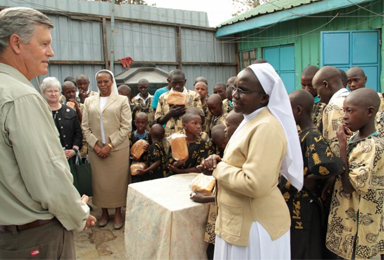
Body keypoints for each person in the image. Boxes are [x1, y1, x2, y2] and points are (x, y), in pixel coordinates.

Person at [0, 7, 95, 259]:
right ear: (16, 43)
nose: (51, 52)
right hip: (34, 237)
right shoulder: (21, 97)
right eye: (44, 44)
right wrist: (79, 214)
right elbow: (48, 180)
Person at [200, 63, 303, 259]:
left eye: (243, 90)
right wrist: (219, 160)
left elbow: (254, 183)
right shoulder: (250, 119)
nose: (234, 95)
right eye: (235, 88)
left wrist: (218, 168)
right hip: (239, 221)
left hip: (255, 228)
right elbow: (240, 162)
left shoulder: (266, 127)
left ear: (264, 97)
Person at [284, 89, 344, 259]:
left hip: (304, 205)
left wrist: (312, 177)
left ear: (298, 110)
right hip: (296, 202)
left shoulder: (312, 135)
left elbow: (330, 164)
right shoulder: (303, 134)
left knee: (305, 247)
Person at [326, 88, 384, 260]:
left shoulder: (372, 146)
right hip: (348, 226)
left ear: (370, 112)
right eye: (344, 110)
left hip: (360, 233)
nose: (344, 116)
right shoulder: (355, 139)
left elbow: (349, 186)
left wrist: (342, 146)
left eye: (350, 111)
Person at [82, 69, 131, 230]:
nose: (103, 85)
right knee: (100, 183)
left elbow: (126, 126)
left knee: (117, 183)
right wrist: (96, 146)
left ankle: (117, 213)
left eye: (106, 81)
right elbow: (85, 127)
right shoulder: (90, 101)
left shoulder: (121, 100)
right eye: (100, 82)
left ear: (112, 82)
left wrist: (110, 146)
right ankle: (103, 212)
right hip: (96, 150)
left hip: (117, 150)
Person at [42, 77, 83, 165]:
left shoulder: (70, 111)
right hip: (49, 159)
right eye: (50, 91)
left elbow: (78, 133)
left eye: (56, 91)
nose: (53, 94)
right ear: (44, 93)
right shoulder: (40, 112)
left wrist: (74, 150)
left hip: (70, 157)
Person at [312, 66, 349, 157]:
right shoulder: (352, 98)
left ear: (326, 84)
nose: (318, 95)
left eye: (317, 90)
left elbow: (335, 147)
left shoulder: (333, 107)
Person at [155, 69, 203, 139]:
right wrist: (170, 114)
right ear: (169, 81)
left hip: (190, 137)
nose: (177, 86)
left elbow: (202, 118)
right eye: (174, 83)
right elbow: (158, 121)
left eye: (180, 83)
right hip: (170, 137)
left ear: (185, 81)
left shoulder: (194, 96)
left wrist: (189, 112)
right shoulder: (163, 97)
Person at [301, 65, 325, 130]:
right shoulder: (301, 102)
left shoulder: (324, 102)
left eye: (310, 85)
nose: (306, 89)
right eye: (303, 85)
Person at [129, 112, 151, 183]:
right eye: (138, 122)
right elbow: (129, 149)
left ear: (147, 123)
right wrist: (132, 156)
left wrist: (148, 148)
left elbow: (153, 149)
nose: (140, 124)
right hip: (134, 165)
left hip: (146, 165)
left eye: (143, 122)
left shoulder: (149, 135)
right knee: (136, 182)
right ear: (134, 122)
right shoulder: (131, 136)